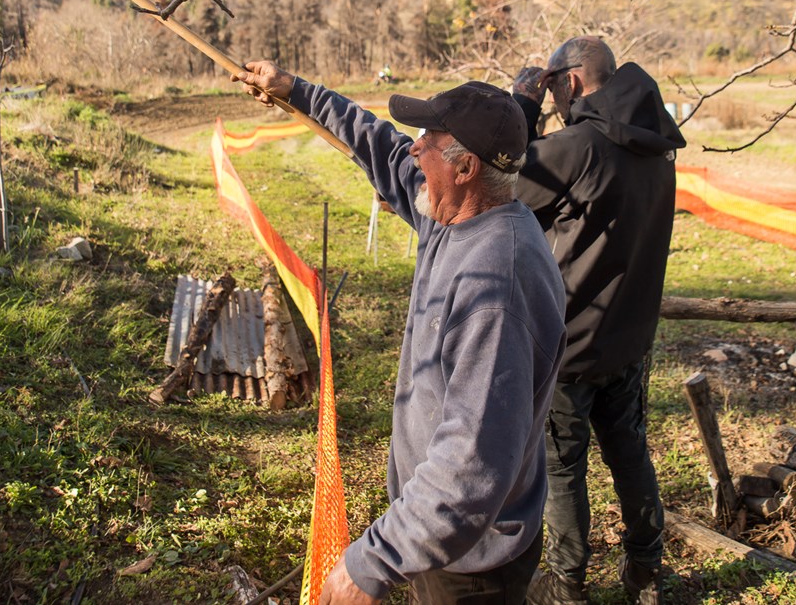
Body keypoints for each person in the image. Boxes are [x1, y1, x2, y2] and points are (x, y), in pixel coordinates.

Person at [232, 61, 567, 604]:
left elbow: (471, 465)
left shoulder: (497, 288)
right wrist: (295, 92)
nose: (414, 149)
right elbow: (381, 146)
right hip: (438, 538)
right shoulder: (453, 213)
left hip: (471, 562)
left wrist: (374, 562)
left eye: (428, 140)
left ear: (465, 168)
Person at [510, 36, 686, 605]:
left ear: (573, 81)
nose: (553, 94)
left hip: (569, 342)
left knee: (561, 468)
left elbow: (503, 191)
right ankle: (646, 571)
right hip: (629, 336)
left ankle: (566, 586)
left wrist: (520, 109)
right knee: (630, 451)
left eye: (553, 83)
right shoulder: (658, 142)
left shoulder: (577, 145)